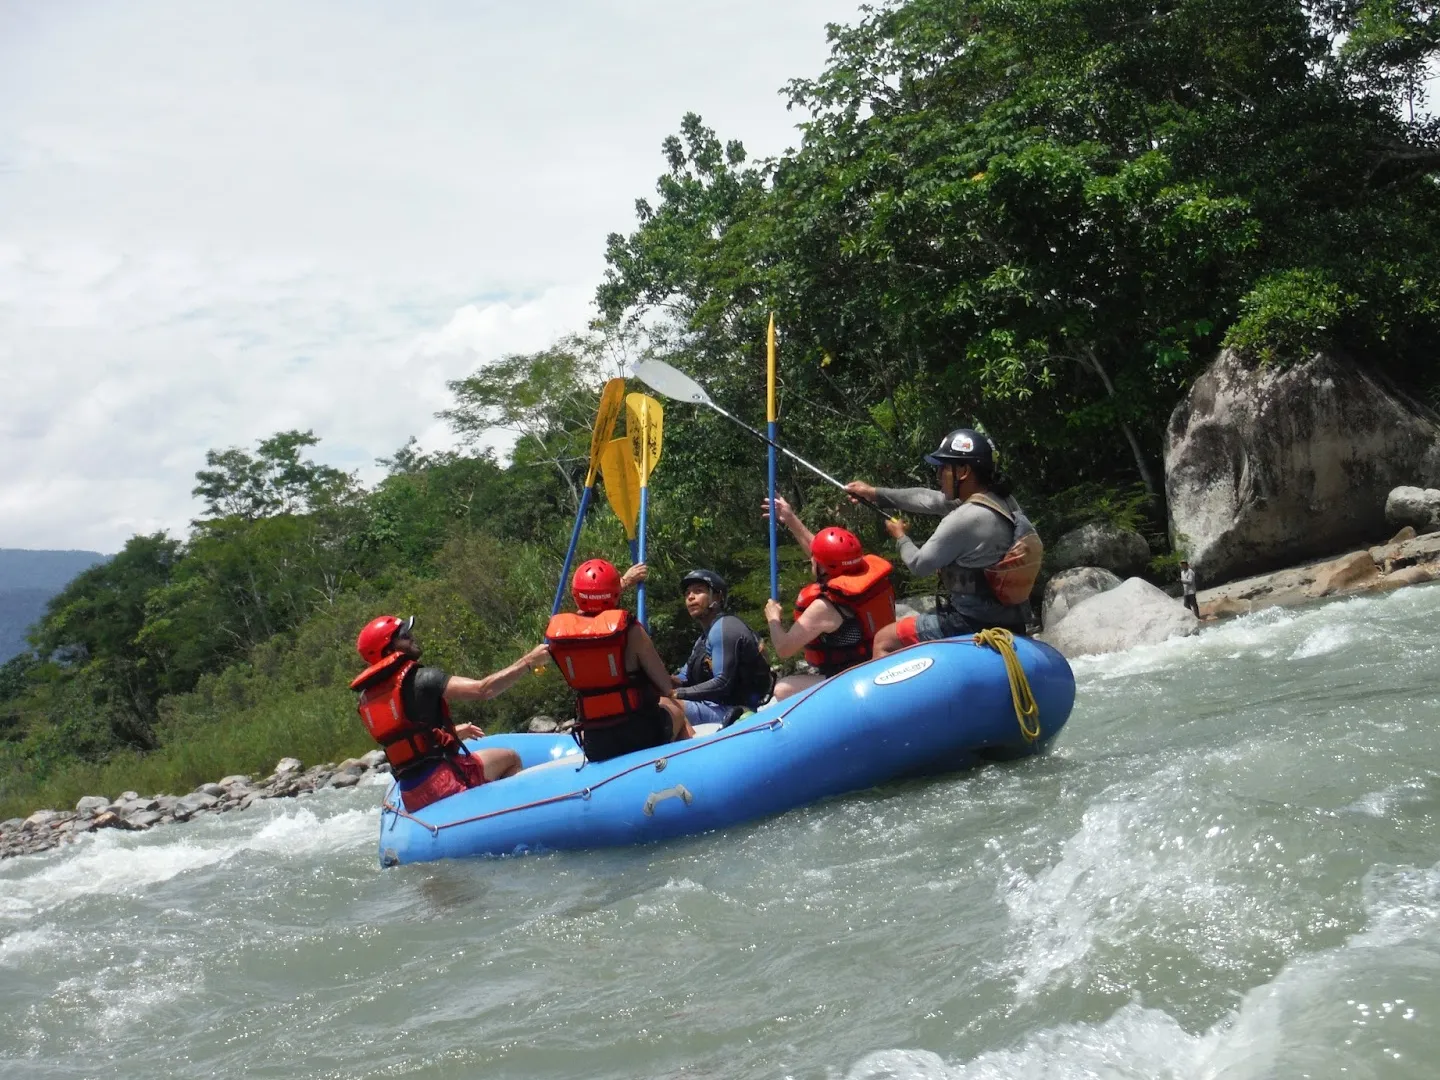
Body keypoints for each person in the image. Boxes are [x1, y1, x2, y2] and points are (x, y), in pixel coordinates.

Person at [844, 428, 1043, 656]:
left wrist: (901, 537)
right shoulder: (1003, 501)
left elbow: (919, 565)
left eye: (943, 468)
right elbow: (928, 499)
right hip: (1012, 621)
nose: (938, 475)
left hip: (971, 623)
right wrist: (874, 493)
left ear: (964, 471)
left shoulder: (964, 518)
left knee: (883, 640)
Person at [350, 615, 550, 813]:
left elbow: (409, 737)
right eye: (404, 634)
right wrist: (528, 661)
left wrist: (452, 732)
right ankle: (516, 815)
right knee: (510, 757)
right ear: (389, 649)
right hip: (445, 782)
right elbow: (483, 690)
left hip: (411, 796)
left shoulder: (367, 700)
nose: (412, 637)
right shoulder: (422, 678)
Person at [545, 559, 691, 762]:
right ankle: (684, 772)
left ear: (575, 595)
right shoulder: (630, 630)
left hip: (597, 743)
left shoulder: (561, 639)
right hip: (641, 734)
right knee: (675, 708)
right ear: (615, 593)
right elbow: (665, 685)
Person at [760, 497, 896, 699]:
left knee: (783, 689)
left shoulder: (825, 607)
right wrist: (790, 518)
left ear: (823, 567)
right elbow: (822, 554)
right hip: (880, 658)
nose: (811, 561)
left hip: (855, 675)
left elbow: (784, 649)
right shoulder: (864, 576)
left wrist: (773, 619)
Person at [672, 569, 773, 726]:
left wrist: (677, 694)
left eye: (698, 591)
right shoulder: (702, 640)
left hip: (736, 710)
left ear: (718, 597)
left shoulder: (725, 627)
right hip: (713, 706)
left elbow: (722, 682)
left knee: (666, 705)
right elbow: (683, 679)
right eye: (687, 593)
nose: (690, 597)